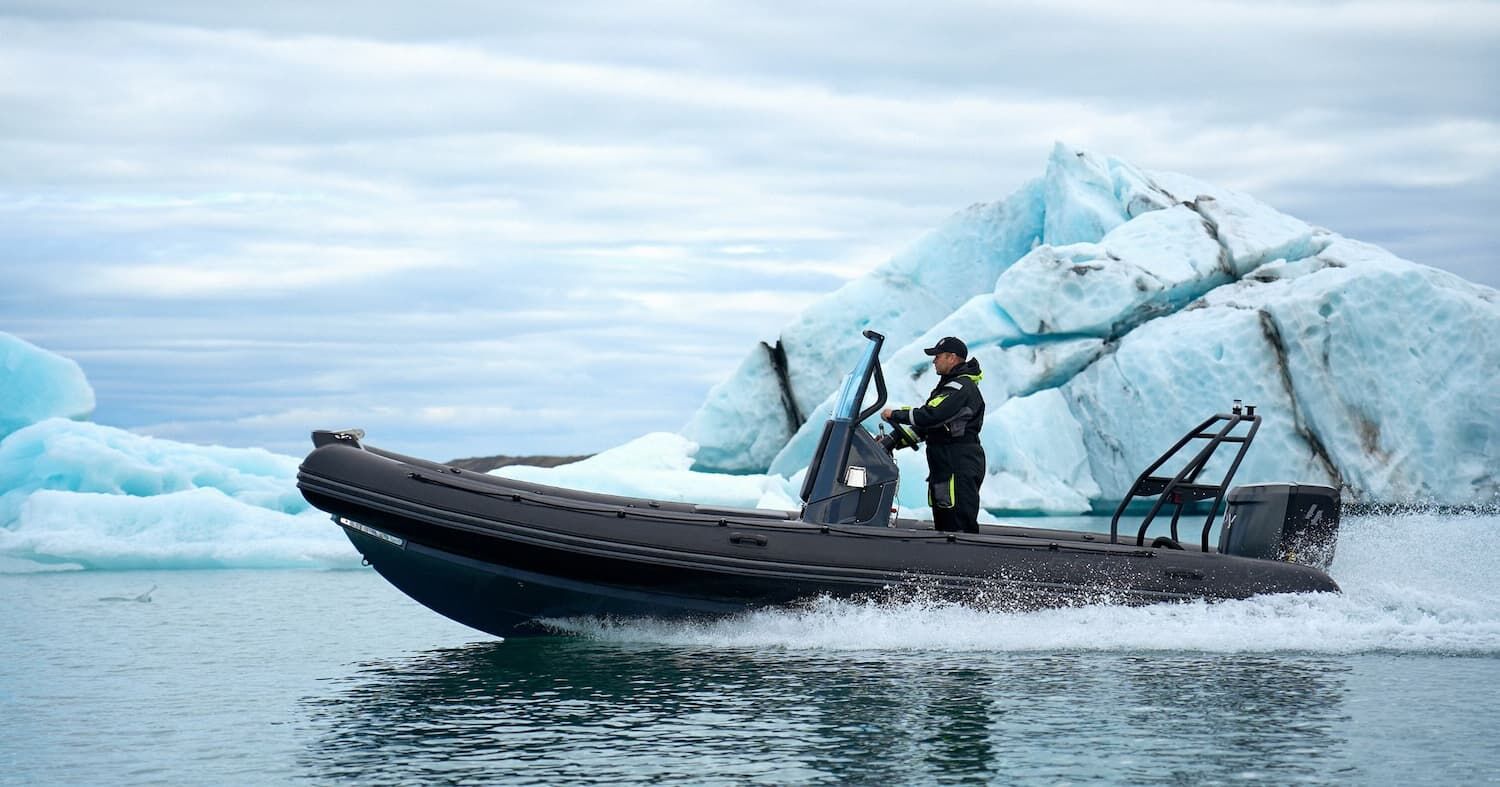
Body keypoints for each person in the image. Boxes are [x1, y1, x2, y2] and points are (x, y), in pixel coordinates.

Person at [881, 336, 986, 533]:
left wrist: (895, 414)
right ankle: (948, 558)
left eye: (937, 356)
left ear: (952, 358)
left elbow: (931, 415)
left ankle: (963, 559)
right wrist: (894, 440)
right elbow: (932, 426)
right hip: (946, 464)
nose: (934, 361)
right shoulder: (949, 386)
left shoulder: (959, 388)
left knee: (958, 522)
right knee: (946, 518)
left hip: (958, 463)